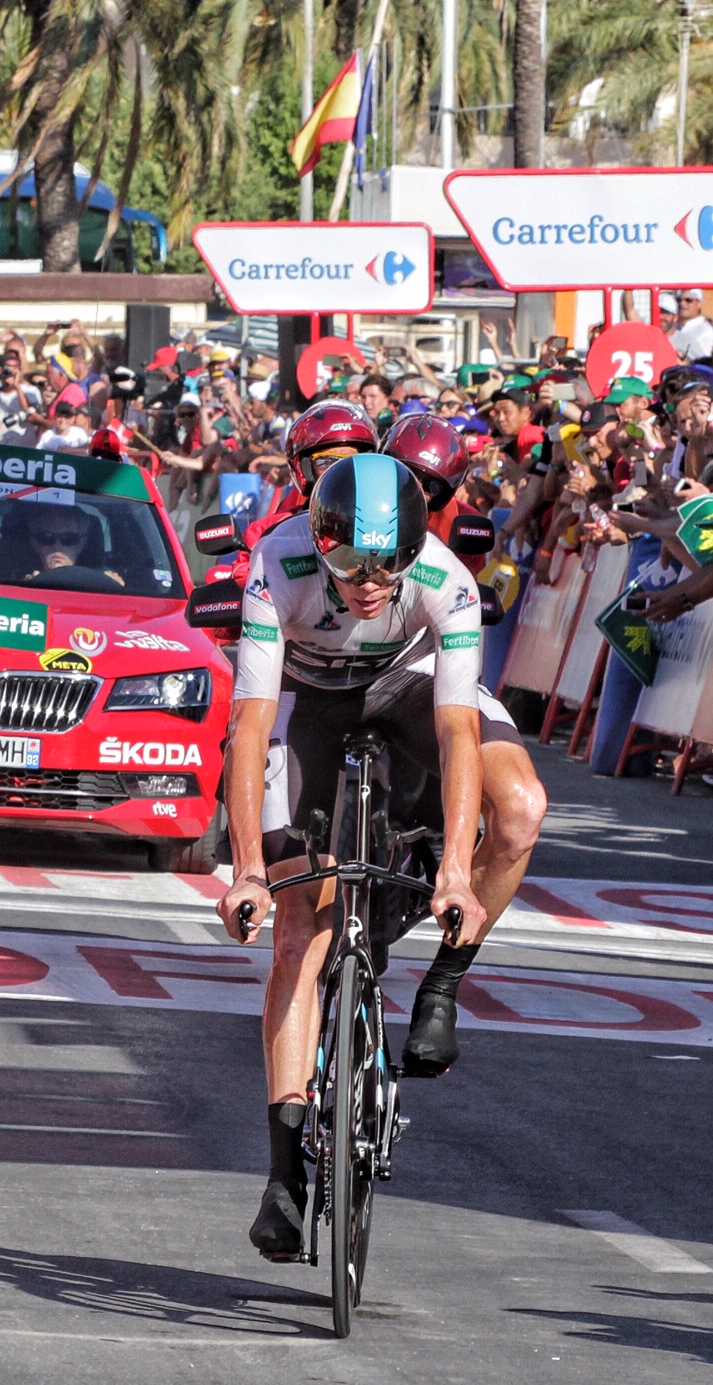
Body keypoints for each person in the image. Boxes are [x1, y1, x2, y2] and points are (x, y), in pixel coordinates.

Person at [217, 456, 535, 1260]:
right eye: (351, 563)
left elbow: (457, 730)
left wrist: (456, 868)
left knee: (522, 810)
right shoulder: (278, 564)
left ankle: (444, 983)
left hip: (408, 685)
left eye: (388, 564)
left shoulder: (444, 579)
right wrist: (247, 870)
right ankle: (284, 1172)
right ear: (319, 542)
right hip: (307, 699)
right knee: (297, 933)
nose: (369, 583)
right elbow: (250, 725)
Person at [669, 289, 713, 361]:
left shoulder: (706, 331)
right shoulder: (671, 327)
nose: (682, 303)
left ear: (699, 304)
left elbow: (706, 362)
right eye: (678, 300)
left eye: (688, 300)